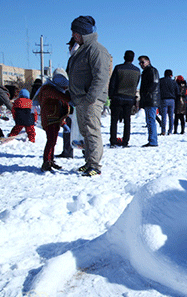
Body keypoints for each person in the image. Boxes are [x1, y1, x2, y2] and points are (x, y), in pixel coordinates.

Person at [67, 15, 111, 176]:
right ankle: (88, 161)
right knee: (85, 132)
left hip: (90, 100)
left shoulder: (96, 50)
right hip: (81, 99)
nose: (73, 36)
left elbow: (101, 77)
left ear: (83, 33)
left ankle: (95, 166)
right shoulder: (82, 49)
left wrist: (90, 97)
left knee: (92, 131)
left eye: (75, 33)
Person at [36, 69, 71, 171]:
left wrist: (63, 123)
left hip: (55, 119)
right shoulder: (47, 89)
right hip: (49, 119)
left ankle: (50, 160)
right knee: (51, 141)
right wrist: (70, 99)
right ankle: (46, 162)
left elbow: (62, 105)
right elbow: (59, 96)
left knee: (53, 141)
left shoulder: (55, 90)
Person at [108, 50, 140, 147]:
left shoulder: (118, 68)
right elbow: (136, 84)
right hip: (130, 98)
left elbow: (112, 84)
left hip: (118, 97)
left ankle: (113, 140)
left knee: (114, 120)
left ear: (124, 57)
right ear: (133, 58)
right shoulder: (137, 70)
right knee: (127, 120)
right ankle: (125, 141)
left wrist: (111, 96)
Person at [138, 55, 160, 147]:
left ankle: (153, 141)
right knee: (149, 120)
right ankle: (151, 140)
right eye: (140, 63)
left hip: (151, 99)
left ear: (148, 61)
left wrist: (147, 93)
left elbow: (154, 83)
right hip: (149, 98)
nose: (141, 64)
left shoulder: (152, 70)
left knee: (151, 120)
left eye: (143, 62)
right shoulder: (146, 71)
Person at [159, 69, 180, 136]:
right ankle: (170, 130)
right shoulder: (174, 82)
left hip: (163, 99)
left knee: (164, 116)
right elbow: (178, 92)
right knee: (171, 116)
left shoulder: (161, 81)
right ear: (171, 75)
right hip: (172, 100)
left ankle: (163, 131)